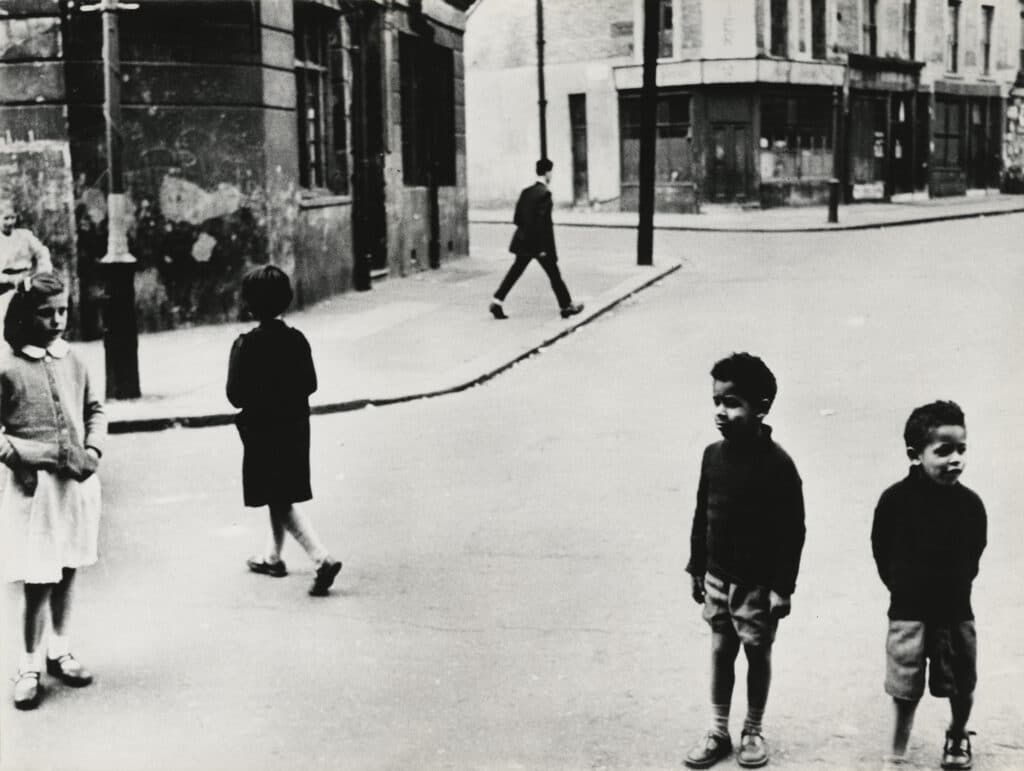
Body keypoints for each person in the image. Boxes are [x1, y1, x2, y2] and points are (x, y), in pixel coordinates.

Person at [684, 353, 805, 769]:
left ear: (762, 406)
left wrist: (781, 588)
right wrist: (696, 566)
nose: (721, 410)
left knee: (756, 654)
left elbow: (792, 532)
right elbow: (703, 513)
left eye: (733, 402)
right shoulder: (712, 455)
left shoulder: (778, 466)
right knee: (720, 649)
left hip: (756, 584)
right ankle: (718, 729)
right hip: (718, 577)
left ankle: (752, 728)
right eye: (717, 400)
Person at [1, 272, 104, 710]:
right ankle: (28, 664)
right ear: (26, 316)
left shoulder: (73, 360)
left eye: (62, 310)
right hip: (34, 489)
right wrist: (17, 459)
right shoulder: (8, 367)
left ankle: (59, 647)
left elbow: (94, 409)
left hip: (75, 484)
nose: (57, 320)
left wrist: (94, 449)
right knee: (39, 577)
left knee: (67, 568)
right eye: (46, 313)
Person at [871, 401, 986, 770]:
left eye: (961, 449)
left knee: (962, 682)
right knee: (903, 689)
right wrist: (903, 588)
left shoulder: (970, 505)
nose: (956, 459)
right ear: (915, 454)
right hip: (908, 612)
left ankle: (957, 732)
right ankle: (895, 756)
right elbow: (881, 549)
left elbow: (974, 553)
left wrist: (953, 586)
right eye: (943, 451)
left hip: (955, 610)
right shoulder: (894, 502)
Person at [226, 265, 342, 597]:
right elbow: (311, 383)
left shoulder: (245, 345)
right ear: (286, 300)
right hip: (294, 428)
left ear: (249, 305)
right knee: (278, 493)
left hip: (261, 430)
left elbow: (235, 395)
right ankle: (272, 557)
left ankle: (321, 558)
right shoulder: (297, 340)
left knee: (276, 495)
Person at [489, 159, 584, 320]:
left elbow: (517, 218)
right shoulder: (545, 194)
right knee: (554, 274)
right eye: (551, 172)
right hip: (538, 245)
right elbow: (543, 225)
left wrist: (527, 234)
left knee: (515, 272)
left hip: (523, 242)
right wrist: (542, 248)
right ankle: (566, 305)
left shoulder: (526, 192)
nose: (551, 175)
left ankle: (496, 301)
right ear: (547, 173)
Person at [0, 199, 53, 322]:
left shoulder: (25, 235)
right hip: (4, 283)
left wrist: (43, 270)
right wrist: (9, 279)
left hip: (27, 278)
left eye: (12, 218)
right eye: (6, 218)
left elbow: (42, 251)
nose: (10, 222)